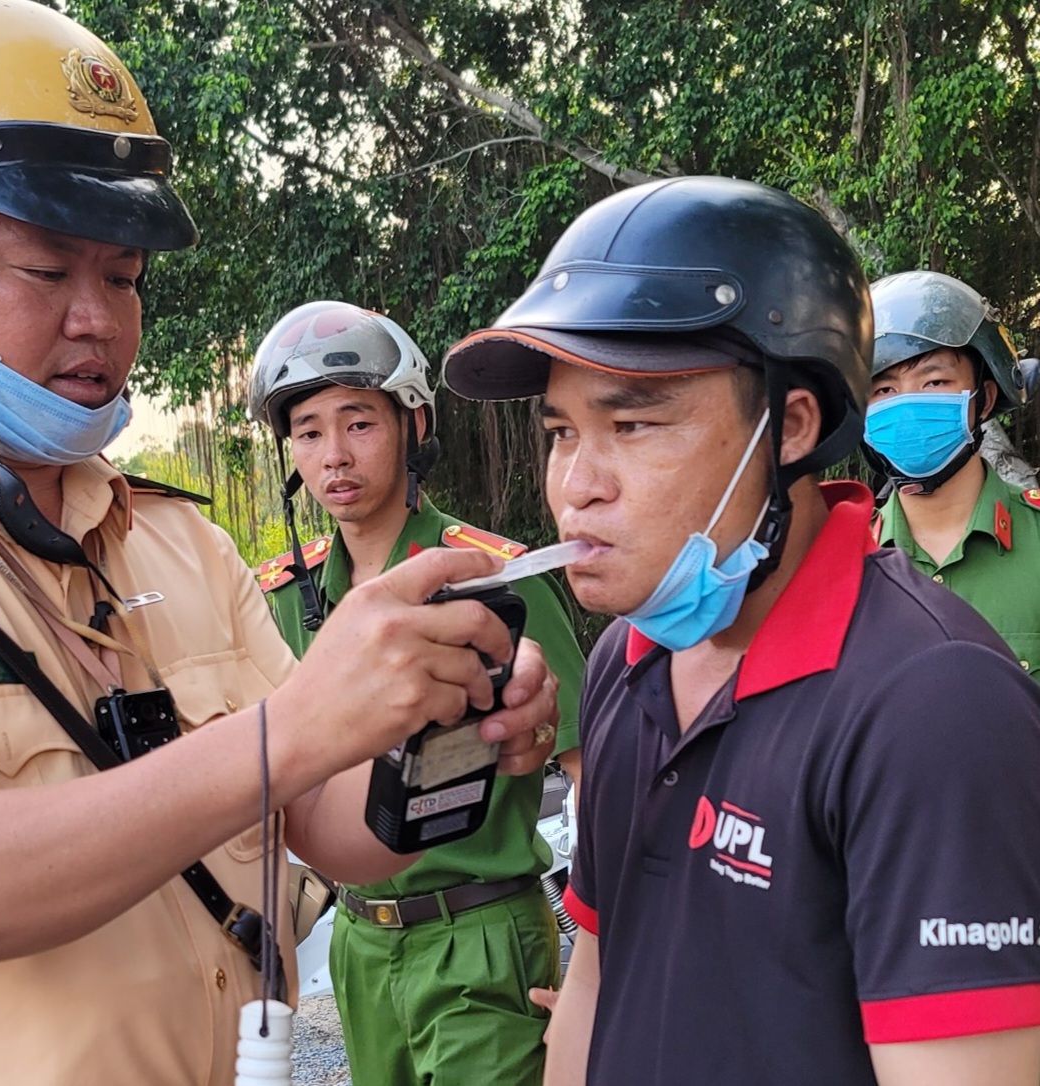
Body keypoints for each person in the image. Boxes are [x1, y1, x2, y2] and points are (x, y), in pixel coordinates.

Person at [0, 3, 562, 1084]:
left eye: (125, 277)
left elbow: (330, 830)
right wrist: (289, 731)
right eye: (45, 272)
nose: (98, 318)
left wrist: (446, 730)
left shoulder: (179, 541)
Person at [443, 175, 1040, 1086]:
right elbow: (595, 982)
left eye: (631, 423)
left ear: (790, 426)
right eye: (561, 432)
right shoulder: (625, 660)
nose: (576, 487)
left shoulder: (932, 704)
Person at [248, 300, 586, 1086]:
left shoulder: (496, 579)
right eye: (308, 432)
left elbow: (593, 772)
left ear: (413, 424)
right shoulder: (280, 600)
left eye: (358, 422)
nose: (334, 455)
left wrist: (603, 967)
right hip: (358, 942)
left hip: (481, 931)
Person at [862, 270, 1040, 679]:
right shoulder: (844, 563)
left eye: (934, 381)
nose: (907, 406)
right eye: (883, 390)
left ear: (984, 399)